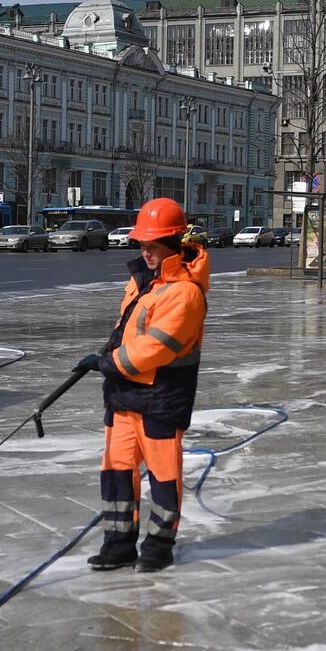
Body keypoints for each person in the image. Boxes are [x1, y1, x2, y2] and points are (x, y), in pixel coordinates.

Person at [77, 197, 209, 573]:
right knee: (117, 471)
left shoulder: (186, 293)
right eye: (142, 244)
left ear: (173, 243)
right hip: (124, 397)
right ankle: (118, 543)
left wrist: (106, 363)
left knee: (165, 477)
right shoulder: (142, 283)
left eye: (152, 245)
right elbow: (126, 333)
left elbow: (154, 349)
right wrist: (106, 353)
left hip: (161, 400)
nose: (145, 251)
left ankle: (158, 545)